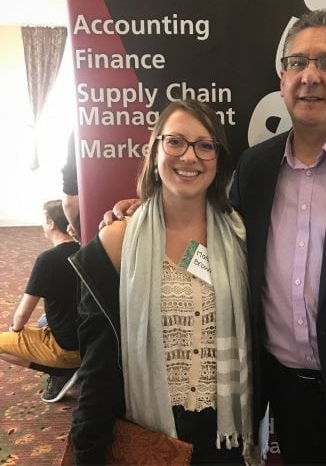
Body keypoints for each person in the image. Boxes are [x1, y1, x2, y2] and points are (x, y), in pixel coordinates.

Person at [106, 10, 326, 464]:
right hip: (288, 402)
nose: (310, 76)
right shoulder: (256, 168)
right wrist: (146, 212)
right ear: (282, 81)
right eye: (297, 63)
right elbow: (211, 230)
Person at [69, 99, 258, 465]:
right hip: (151, 437)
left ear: (218, 160)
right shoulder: (118, 241)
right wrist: (87, 450)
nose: (189, 157)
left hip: (225, 438)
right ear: (155, 152)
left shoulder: (241, 237)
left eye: (205, 145)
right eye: (175, 142)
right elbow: (97, 364)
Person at [0, 200, 81, 403]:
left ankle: (60, 373)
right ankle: (69, 368)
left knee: (3, 343)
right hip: (92, 343)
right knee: (44, 320)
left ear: (51, 223)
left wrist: (15, 330)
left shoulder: (47, 260)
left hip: (68, 351)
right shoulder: (85, 248)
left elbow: (22, 314)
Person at [61, 131, 80, 242]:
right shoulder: (139, 119)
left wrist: (76, 227)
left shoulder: (81, 131)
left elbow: (70, 203)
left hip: (96, 228)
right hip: (138, 219)